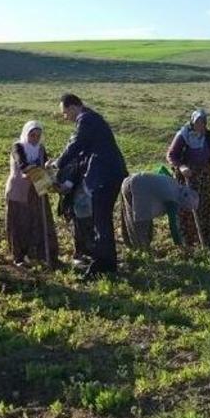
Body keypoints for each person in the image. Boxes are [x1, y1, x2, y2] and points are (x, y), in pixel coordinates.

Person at [54, 93, 128, 279]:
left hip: (104, 176)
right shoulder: (93, 118)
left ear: (73, 107)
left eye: (65, 112)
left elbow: (76, 144)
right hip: (111, 174)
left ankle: (102, 266)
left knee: (100, 221)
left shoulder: (85, 120)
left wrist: (58, 163)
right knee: (102, 221)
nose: (65, 117)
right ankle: (107, 263)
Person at [5, 121, 59, 267]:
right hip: (19, 190)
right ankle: (19, 257)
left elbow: (46, 164)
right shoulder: (18, 147)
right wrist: (38, 169)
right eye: (32, 135)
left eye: (38, 135)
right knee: (20, 223)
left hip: (37, 189)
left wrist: (48, 168)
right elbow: (22, 166)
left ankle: (39, 254)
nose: (35, 138)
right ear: (26, 134)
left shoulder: (40, 149)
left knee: (39, 220)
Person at [166, 109, 210, 247]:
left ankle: (209, 241)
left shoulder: (207, 135)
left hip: (204, 178)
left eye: (203, 122)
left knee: (207, 208)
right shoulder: (183, 135)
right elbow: (171, 155)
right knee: (189, 210)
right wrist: (182, 167)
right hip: (189, 177)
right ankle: (190, 242)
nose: (200, 125)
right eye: (198, 122)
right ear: (192, 122)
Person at [120, 172, 199, 250]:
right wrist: (179, 245)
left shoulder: (174, 183)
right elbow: (173, 225)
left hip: (133, 181)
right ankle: (141, 251)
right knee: (140, 225)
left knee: (139, 219)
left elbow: (161, 170)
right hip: (135, 187)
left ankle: (136, 246)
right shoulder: (172, 201)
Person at [56, 155, 95, 267]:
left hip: (87, 201)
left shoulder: (87, 159)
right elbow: (66, 186)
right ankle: (80, 255)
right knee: (81, 229)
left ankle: (88, 254)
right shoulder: (74, 163)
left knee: (86, 229)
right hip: (80, 202)